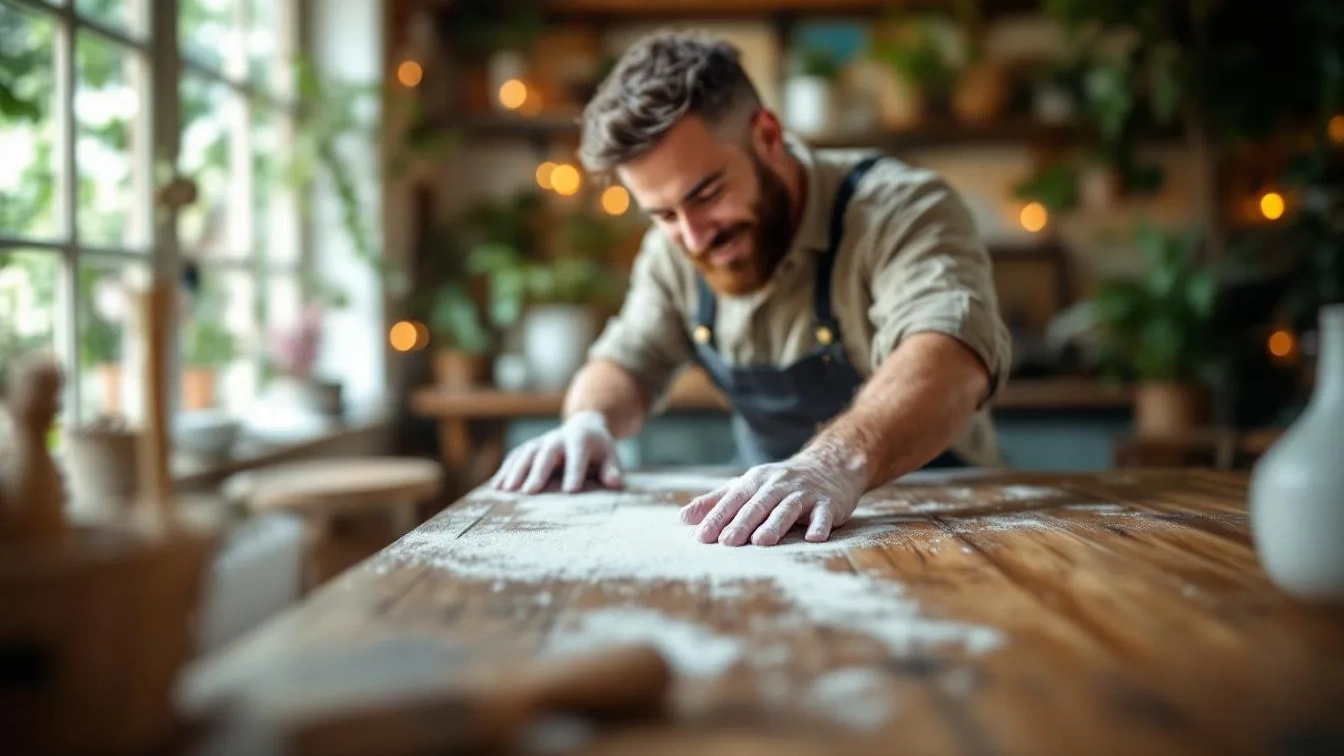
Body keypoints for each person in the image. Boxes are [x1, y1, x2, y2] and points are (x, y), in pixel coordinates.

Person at [490, 31, 1011, 547]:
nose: (694, 237)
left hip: (941, 522)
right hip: (767, 535)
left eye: (707, 194)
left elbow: (950, 355)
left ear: (767, 135)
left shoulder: (900, 208)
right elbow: (628, 360)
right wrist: (589, 421)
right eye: (664, 214)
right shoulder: (674, 251)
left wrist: (830, 464)